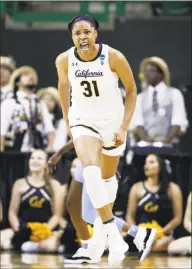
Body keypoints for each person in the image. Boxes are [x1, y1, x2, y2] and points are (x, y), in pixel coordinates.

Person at [55, 13, 156, 265]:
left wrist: (124, 126)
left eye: (87, 32)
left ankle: (100, 241)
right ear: (72, 37)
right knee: (90, 172)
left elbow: (132, 91)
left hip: (112, 122)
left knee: (107, 181)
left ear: (96, 33)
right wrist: (68, 120)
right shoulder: (64, 60)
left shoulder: (113, 56)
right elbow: (63, 87)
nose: (82, 37)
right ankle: (114, 235)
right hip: (83, 121)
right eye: (77, 33)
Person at [48, 141, 157, 264]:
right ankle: (89, 248)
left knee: (90, 212)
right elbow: (79, 134)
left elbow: (100, 133)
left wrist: (107, 160)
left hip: (94, 158)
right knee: (74, 206)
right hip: (85, 155)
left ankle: (139, 233)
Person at [3, 149, 62, 252]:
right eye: (32, 158)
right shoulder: (19, 183)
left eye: (39, 158)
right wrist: (19, 230)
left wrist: (43, 231)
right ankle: (23, 243)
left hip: (45, 231)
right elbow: (12, 212)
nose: (35, 161)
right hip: (23, 228)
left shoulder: (54, 185)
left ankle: (33, 246)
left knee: (49, 246)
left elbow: (56, 215)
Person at [126, 154, 183, 252]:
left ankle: (146, 249)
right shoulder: (136, 188)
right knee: (122, 238)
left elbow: (177, 218)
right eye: (145, 163)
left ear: (161, 166)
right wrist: (137, 232)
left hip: (162, 235)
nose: (146, 165)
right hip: (141, 232)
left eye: (151, 162)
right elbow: (129, 216)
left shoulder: (173, 189)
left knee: (167, 244)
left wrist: (160, 233)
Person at [131, 57, 188, 145]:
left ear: (161, 74)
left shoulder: (174, 94)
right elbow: (138, 124)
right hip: (145, 146)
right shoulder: (140, 98)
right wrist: (149, 143)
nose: (147, 74)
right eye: (145, 71)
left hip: (170, 146)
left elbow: (177, 122)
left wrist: (164, 141)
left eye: (151, 71)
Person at [0, 66, 55, 152]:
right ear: (17, 82)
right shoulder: (9, 102)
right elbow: (2, 128)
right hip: (15, 150)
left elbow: (49, 128)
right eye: (26, 75)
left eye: (33, 75)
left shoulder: (39, 103)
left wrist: (50, 147)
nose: (31, 77)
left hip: (37, 150)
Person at [37, 87, 68, 151]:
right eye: (44, 99)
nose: (47, 102)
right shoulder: (33, 119)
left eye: (51, 100)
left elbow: (59, 146)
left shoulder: (61, 123)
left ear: (55, 104)